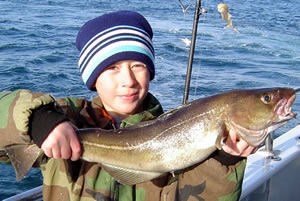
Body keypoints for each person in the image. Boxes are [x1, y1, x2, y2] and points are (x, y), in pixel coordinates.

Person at [0, 10, 256, 201]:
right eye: (111, 68)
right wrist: (39, 120)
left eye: (138, 66)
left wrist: (223, 160)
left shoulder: (182, 135)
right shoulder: (68, 117)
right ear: (92, 77)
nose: (128, 81)